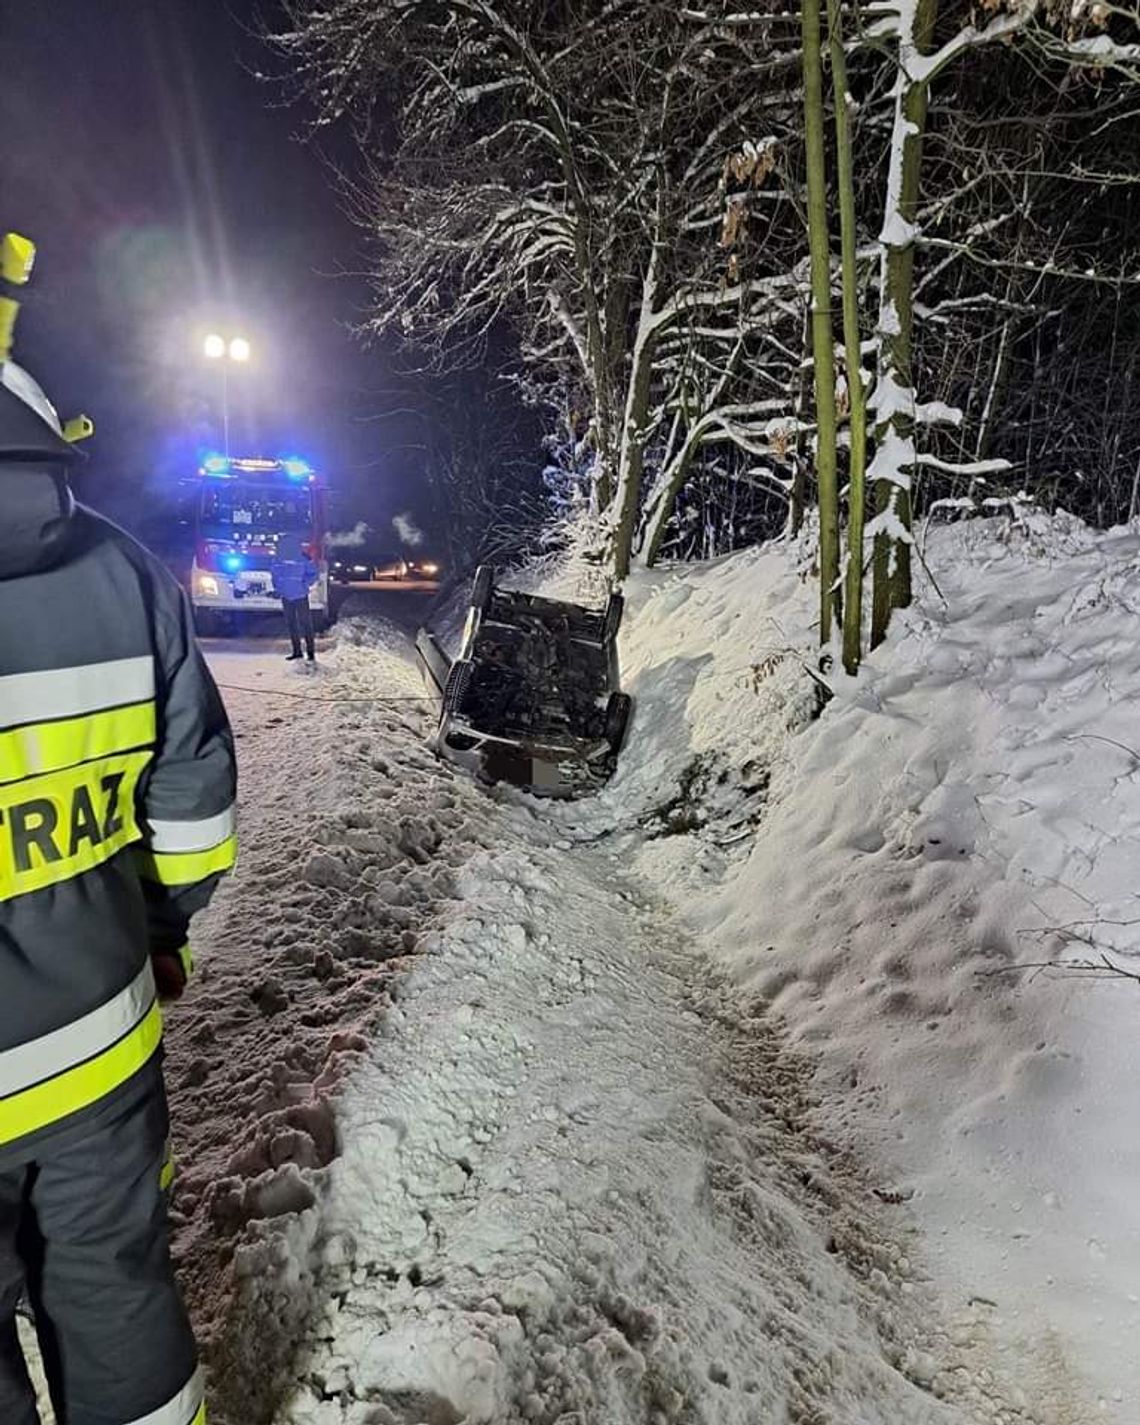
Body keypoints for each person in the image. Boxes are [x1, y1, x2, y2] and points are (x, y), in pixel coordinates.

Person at [0, 357, 236, 1425]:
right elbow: (191, 809)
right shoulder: (123, 572)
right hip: (100, 1047)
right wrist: (158, 929)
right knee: (118, 1299)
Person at [271, 532, 318, 664]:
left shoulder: (302, 558)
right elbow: (274, 576)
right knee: (293, 625)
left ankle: (310, 654)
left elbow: (313, 574)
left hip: (299, 596)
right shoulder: (278, 559)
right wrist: (278, 589)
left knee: (305, 625)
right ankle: (297, 652)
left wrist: (304, 584)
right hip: (288, 596)